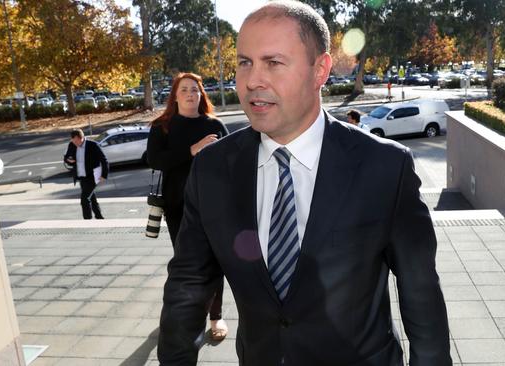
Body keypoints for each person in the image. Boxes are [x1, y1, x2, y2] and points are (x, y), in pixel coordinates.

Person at [158, 1, 451, 365]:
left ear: (320, 70)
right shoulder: (211, 171)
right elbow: (188, 284)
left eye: (273, 62)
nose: (251, 81)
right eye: (244, 62)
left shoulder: (385, 167)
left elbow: (420, 293)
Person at [147, 72, 229, 341]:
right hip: (178, 207)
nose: (191, 94)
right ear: (175, 95)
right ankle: (184, 316)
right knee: (186, 264)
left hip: (213, 206)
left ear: (201, 94)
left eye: (195, 89)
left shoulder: (215, 125)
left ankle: (216, 316)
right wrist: (192, 150)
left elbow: (232, 163)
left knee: (216, 263)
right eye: (184, 89)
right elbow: (155, 160)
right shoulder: (163, 126)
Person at [63, 129, 108, 220]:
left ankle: (87, 221)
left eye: (76, 141)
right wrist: (69, 160)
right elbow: (66, 157)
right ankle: (99, 217)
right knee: (91, 198)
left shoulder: (93, 145)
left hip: (92, 176)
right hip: (81, 177)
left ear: (82, 138)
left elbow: (104, 160)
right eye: (73, 141)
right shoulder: (72, 145)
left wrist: (104, 175)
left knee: (84, 200)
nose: (74, 143)